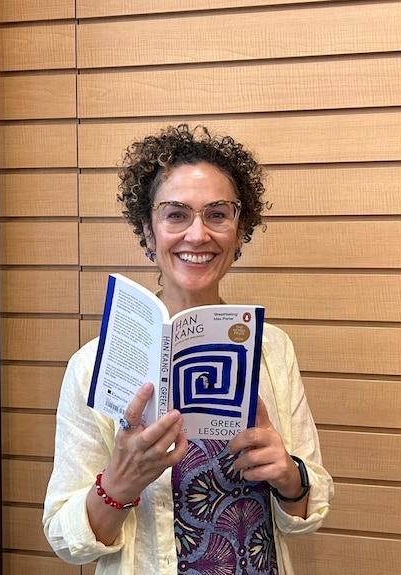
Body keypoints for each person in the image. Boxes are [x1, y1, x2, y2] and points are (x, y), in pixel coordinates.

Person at [43, 124, 333, 574]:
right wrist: (119, 483)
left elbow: (304, 516)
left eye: (218, 214)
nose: (197, 235)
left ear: (240, 232)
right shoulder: (92, 365)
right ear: (148, 230)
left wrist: (290, 477)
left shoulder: (272, 349)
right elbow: (65, 539)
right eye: (175, 214)